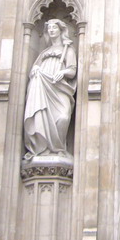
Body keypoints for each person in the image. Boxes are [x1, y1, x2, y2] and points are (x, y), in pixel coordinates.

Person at [23, 18, 78, 158]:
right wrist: (35, 69)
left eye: (54, 27)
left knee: (63, 117)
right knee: (41, 116)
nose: (51, 30)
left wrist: (63, 72)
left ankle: (58, 148)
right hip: (43, 86)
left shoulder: (68, 50)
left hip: (59, 87)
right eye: (49, 28)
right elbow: (34, 68)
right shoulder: (44, 52)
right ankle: (43, 148)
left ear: (61, 30)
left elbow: (72, 71)